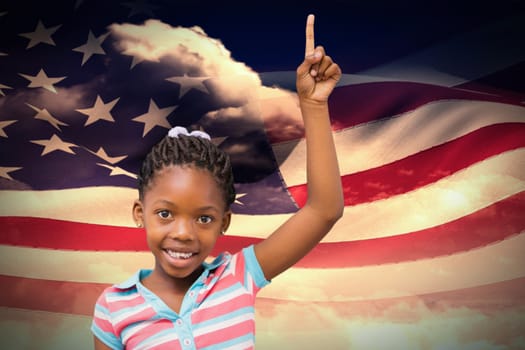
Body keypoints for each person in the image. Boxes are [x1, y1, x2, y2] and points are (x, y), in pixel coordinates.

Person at [91, 13, 343, 349]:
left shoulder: (237, 277)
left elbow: (324, 210)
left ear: (224, 221)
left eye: (204, 218)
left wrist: (312, 105)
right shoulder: (114, 308)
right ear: (140, 212)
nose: (183, 233)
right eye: (165, 213)